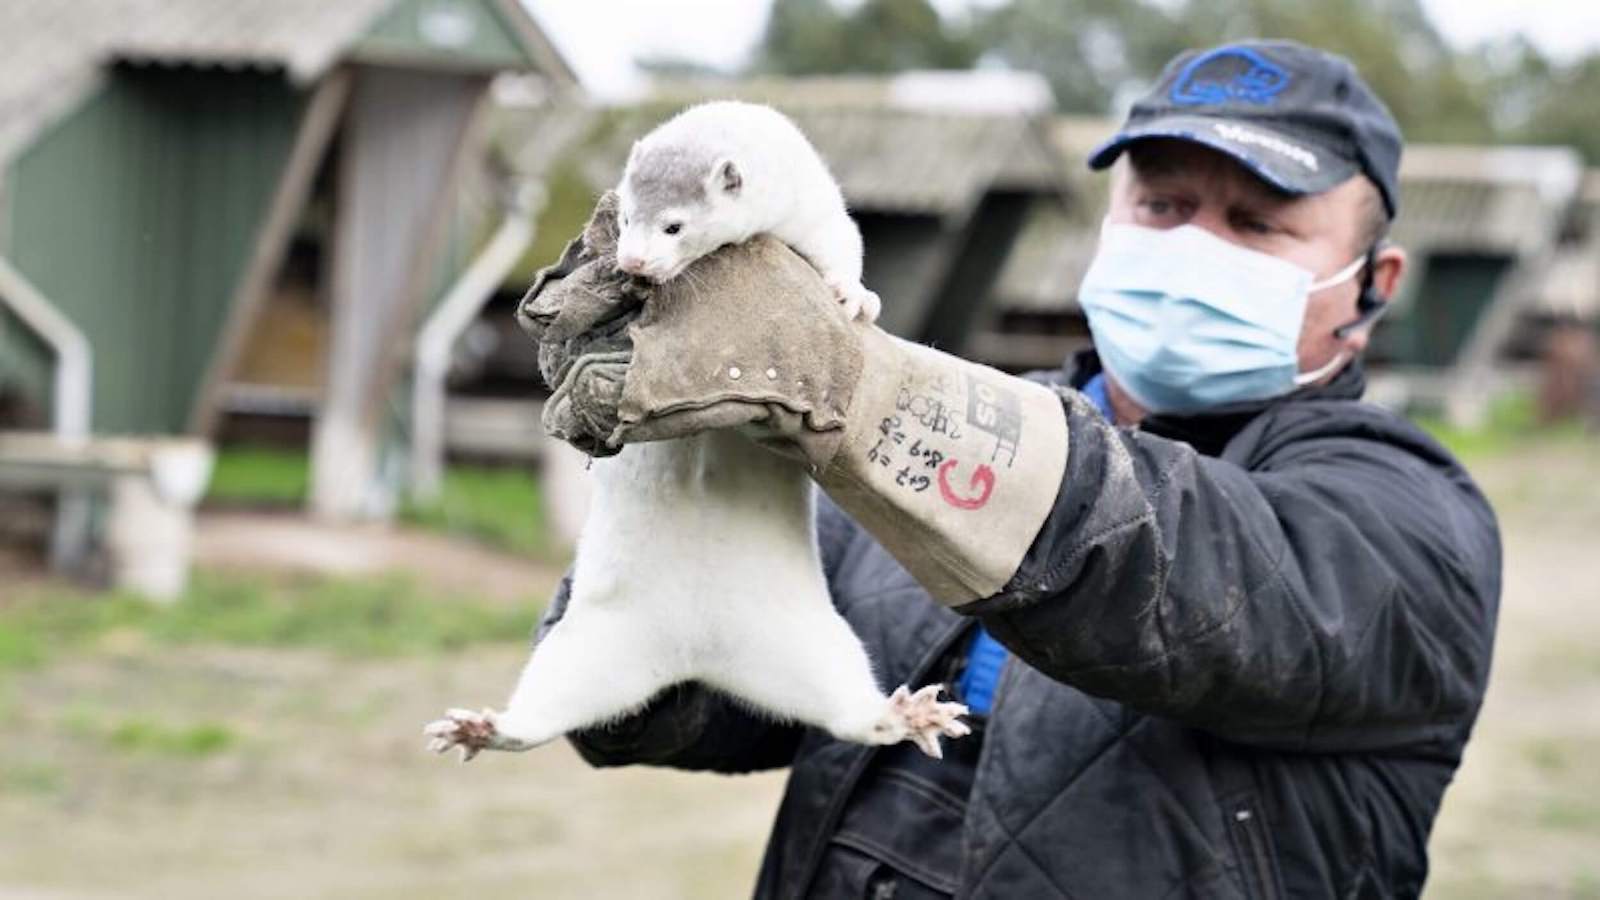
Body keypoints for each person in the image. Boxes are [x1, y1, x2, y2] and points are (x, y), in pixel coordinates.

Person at [525, 39, 1501, 899]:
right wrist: (663, 499)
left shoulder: (1407, 517)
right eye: (1162, 204)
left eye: (1256, 223)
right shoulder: (919, 443)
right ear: (1109, 219)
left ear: (1374, 285)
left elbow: (1170, 560)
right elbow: (706, 706)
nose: (1192, 247)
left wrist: (854, 389)